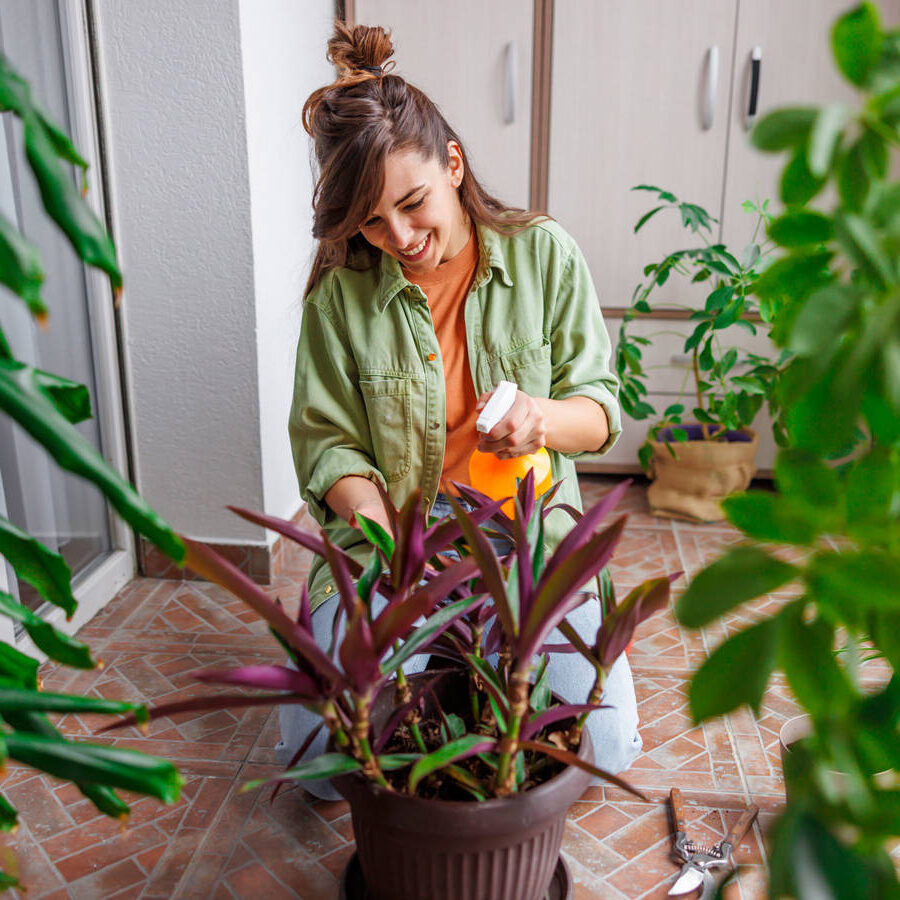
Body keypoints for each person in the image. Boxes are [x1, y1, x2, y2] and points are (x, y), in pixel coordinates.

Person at [279, 21, 640, 799]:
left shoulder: (545, 255)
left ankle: (465, 671)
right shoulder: (341, 299)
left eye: (414, 204)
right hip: (398, 557)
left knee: (604, 748)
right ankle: (430, 658)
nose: (400, 237)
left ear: (453, 163)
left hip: (526, 550)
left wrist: (541, 418)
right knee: (316, 763)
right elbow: (328, 448)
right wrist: (387, 541)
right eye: (373, 222)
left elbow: (602, 411)